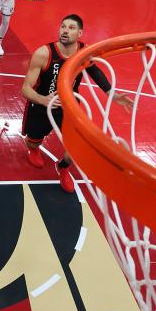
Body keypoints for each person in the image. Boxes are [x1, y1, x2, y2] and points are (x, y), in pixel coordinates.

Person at [21, 14, 133, 192]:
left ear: (80, 33)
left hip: (69, 105)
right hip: (42, 106)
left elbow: (94, 70)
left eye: (71, 28)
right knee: (33, 141)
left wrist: (112, 94)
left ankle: (63, 167)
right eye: (63, 26)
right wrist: (43, 99)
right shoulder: (43, 53)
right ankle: (34, 148)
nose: (65, 30)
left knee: (77, 145)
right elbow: (25, 89)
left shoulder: (83, 52)